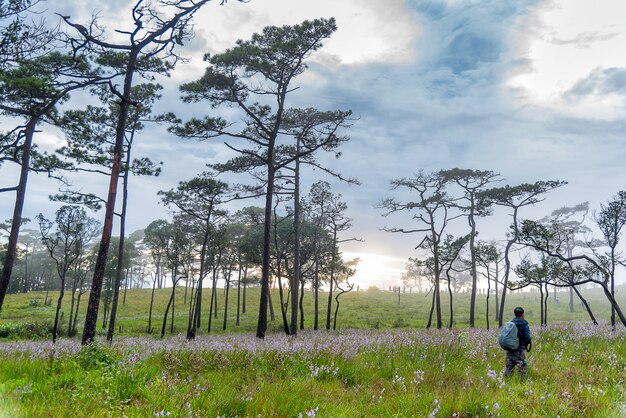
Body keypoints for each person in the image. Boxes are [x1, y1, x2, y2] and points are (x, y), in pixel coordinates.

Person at [504, 306, 532, 378]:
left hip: (510, 349)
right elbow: (528, 338)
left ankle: (507, 382)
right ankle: (521, 383)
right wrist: (527, 342)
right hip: (519, 349)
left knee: (509, 367)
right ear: (522, 314)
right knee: (521, 367)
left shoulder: (510, 323)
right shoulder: (523, 323)